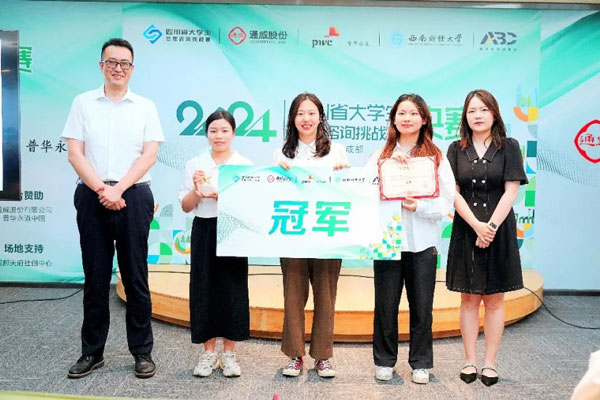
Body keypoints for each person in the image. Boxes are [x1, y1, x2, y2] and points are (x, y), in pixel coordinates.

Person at [61, 38, 164, 379]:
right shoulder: (82, 103)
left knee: (135, 277)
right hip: (92, 195)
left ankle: (142, 351)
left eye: (124, 63)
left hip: (134, 195)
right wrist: (102, 190)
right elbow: (75, 153)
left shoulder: (145, 106)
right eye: (112, 62)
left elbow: (149, 155)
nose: (118, 68)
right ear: (101, 65)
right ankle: (92, 352)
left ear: (132, 69)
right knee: (95, 276)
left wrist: (118, 189)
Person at [367, 94, 455, 384]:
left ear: (424, 119)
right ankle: (384, 361)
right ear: (393, 119)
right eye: (402, 113)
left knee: (422, 307)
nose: (407, 118)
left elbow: (447, 201)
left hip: (423, 243)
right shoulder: (379, 157)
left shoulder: (435, 157)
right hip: (387, 242)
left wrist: (421, 206)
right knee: (385, 305)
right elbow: (363, 192)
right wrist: (387, 170)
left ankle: (420, 363)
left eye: (414, 113)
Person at [446, 89, 528, 386]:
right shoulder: (455, 149)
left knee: (494, 299)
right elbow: (453, 192)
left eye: (483, 109)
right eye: (471, 111)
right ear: (465, 117)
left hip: (499, 230)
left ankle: (490, 363)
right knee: (468, 299)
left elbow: (511, 191)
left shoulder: (509, 146)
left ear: (494, 113)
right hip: (466, 231)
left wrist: (490, 227)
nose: (477, 115)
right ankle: (469, 360)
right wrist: (477, 226)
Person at [273, 93, 350, 378]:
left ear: (320, 117)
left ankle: (323, 356)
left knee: (326, 295)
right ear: (292, 119)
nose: (306, 119)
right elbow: (272, 192)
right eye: (300, 114)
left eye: (311, 113)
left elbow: (348, 191)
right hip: (292, 233)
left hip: (327, 232)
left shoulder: (337, 151)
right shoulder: (282, 154)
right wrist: (276, 174)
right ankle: (294, 355)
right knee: (293, 295)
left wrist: (344, 175)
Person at [179, 110, 252, 378]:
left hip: (232, 230)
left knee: (233, 289)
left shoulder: (243, 165)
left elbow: (248, 207)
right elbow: (186, 206)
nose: (219, 136)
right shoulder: (195, 164)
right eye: (213, 131)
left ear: (233, 133)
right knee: (203, 288)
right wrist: (196, 191)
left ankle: (229, 354)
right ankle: (208, 353)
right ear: (206, 133)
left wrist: (223, 196)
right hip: (204, 228)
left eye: (224, 130)